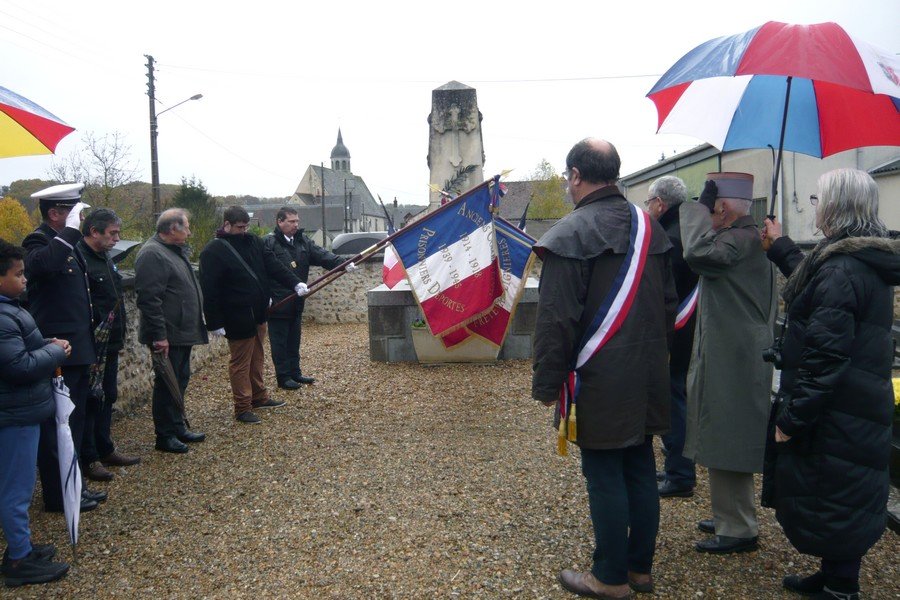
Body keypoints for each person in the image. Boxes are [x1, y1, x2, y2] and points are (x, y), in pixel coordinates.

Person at [532, 139, 676, 599]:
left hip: (598, 377)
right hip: (646, 371)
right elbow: (669, 305)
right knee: (640, 466)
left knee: (604, 474)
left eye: (567, 177)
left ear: (576, 175)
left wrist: (547, 385)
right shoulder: (650, 229)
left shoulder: (571, 233)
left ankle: (610, 578)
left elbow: (556, 320)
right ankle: (639, 570)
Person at [760, 169, 899, 600]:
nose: (816, 206)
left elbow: (825, 358)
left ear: (837, 207)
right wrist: (781, 247)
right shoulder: (856, 257)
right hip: (853, 403)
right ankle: (836, 574)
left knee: (834, 488)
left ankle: (841, 588)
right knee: (838, 489)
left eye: (819, 199)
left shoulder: (842, 268)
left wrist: (792, 419)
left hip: (837, 408)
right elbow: (817, 289)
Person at [680, 172, 776, 554]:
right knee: (724, 434)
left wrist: (697, 209)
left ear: (721, 209)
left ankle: (738, 527)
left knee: (729, 436)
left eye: (711, 208)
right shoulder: (748, 238)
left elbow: (695, 253)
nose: (709, 215)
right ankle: (731, 515)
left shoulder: (737, 240)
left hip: (735, 355)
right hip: (735, 351)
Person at [23, 182, 106, 512]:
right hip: (58, 349)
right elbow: (41, 266)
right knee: (59, 426)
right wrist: (70, 233)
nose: (80, 219)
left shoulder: (67, 244)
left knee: (76, 420)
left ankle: (74, 486)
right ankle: (59, 495)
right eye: (74, 213)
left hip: (78, 347)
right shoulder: (39, 241)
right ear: (56, 213)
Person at [0, 239, 71, 587]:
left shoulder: (9, 310)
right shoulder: (2, 317)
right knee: (17, 490)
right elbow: (18, 366)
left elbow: (20, 350)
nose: (25, 279)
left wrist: (46, 345)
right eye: (18, 274)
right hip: (14, 415)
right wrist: (56, 352)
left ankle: (21, 546)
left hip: (18, 411)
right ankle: (18, 560)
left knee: (18, 486)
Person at [199, 206, 308, 424]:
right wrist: (214, 321)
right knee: (240, 363)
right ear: (227, 225)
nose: (244, 231)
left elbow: (274, 266)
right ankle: (242, 407)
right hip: (236, 316)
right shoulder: (212, 251)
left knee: (257, 357)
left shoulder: (253, 242)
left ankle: (259, 396)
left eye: (246, 227)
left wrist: (295, 283)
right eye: (240, 227)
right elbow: (209, 289)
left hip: (258, 313)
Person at [134, 209, 208, 453]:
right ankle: (164, 436)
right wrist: (159, 336)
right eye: (186, 227)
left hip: (181, 331)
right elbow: (149, 299)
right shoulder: (152, 254)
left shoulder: (173, 250)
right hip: (168, 334)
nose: (189, 232)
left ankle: (177, 427)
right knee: (167, 383)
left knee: (180, 380)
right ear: (172, 229)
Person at [645, 175, 699, 499]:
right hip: (683, 329)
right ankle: (676, 466)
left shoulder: (670, 238)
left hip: (673, 331)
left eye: (649, 201)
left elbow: (664, 290)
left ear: (661, 204)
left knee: (672, 400)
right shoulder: (685, 229)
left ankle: (680, 473)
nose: (648, 207)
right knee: (675, 397)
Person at [77, 209, 140, 481]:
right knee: (92, 401)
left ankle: (105, 448)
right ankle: (90, 458)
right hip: (93, 345)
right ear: (94, 231)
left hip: (110, 343)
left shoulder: (105, 258)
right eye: (112, 233)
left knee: (108, 396)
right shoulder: (80, 259)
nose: (117, 238)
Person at [263, 206, 352, 389]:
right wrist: (267, 296)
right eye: (291, 221)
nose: (296, 225)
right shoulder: (269, 243)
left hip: (297, 301)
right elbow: (263, 272)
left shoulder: (302, 241)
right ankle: (283, 377)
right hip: (279, 302)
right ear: (280, 222)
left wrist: (343, 263)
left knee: (294, 340)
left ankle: (295, 373)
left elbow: (322, 255)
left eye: (297, 221)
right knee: (280, 343)